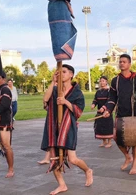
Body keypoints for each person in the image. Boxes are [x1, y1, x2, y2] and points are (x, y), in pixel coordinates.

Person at [40, 64, 93, 194]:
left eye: (64, 72)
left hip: (68, 128)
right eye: (59, 72)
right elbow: (45, 100)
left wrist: (65, 102)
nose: (61, 74)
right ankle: (62, 185)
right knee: (54, 160)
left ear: (71, 74)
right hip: (53, 128)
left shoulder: (76, 92)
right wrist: (52, 82)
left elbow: (79, 111)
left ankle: (87, 170)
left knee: (72, 159)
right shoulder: (55, 89)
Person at [101, 54, 136, 175]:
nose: (121, 64)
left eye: (124, 62)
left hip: (135, 113)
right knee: (116, 137)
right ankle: (127, 157)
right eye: (120, 62)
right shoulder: (115, 80)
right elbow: (112, 98)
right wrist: (108, 110)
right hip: (121, 114)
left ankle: (135, 165)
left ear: (129, 64)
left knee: (135, 142)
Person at [91, 76, 113, 148]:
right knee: (100, 126)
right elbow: (95, 99)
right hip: (99, 112)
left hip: (107, 111)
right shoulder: (98, 91)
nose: (102, 82)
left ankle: (109, 142)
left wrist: (104, 108)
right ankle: (104, 141)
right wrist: (93, 104)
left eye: (103, 81)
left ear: (106, 82)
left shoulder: (109, 91)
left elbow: (109, 101)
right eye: (100, 81)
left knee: (108, 126)